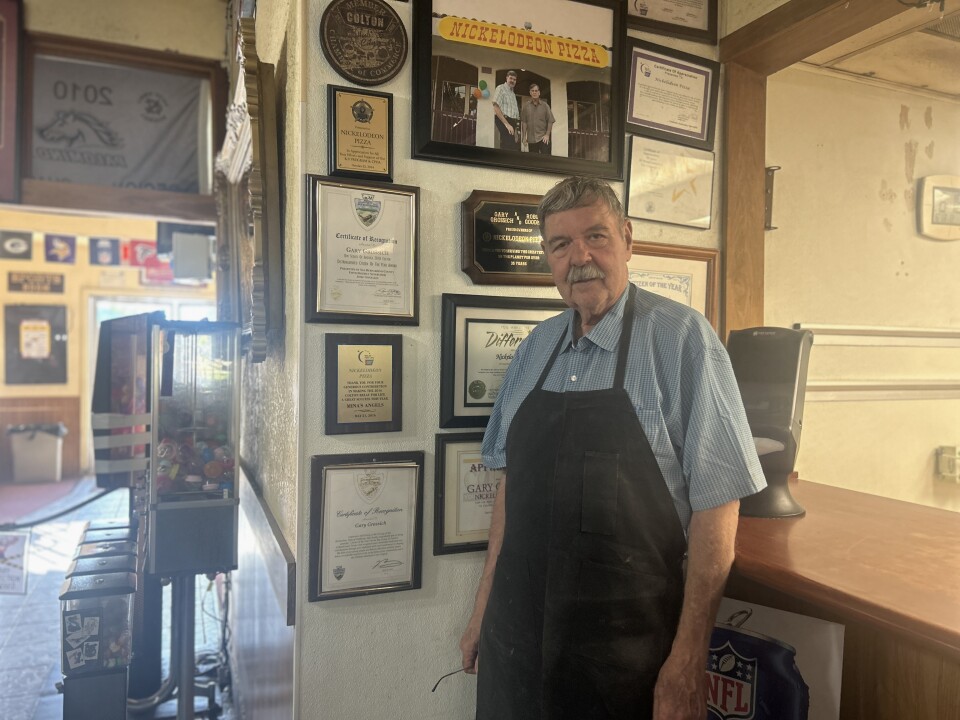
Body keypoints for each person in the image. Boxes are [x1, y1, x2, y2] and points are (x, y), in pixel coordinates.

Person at [458, 176, 766, 720]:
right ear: (548, 258)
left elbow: (719, 506)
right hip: (517, 640)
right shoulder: (534, 349)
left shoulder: (683, 341)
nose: (580, 257)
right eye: (560, 244)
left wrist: (691, 654)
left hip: (625, 657)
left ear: (627, 238)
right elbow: (512, 484)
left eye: (596, 236)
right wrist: (484, 604)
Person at [520, 83, 555, 154]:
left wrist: (547, 135)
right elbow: (524, 122)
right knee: (533, 161)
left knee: (546, 161)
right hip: (531, 140)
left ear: (539, 93)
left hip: (543, 139)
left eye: (536, 91)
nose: (534, 92)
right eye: (532, 91)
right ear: (530, 93)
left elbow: (550, 121)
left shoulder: (545, 106)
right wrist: (524, 137)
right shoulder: (526, 106)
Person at [492, 70, 520, 151]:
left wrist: (516, 130)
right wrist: (507, 124)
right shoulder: (501, 88)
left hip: (512, 122)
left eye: (514, 79)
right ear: (506, 78)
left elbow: (515, 114)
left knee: (513, 146)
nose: (512, 81)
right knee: (508, 145)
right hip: (504, 120)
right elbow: (496, 106)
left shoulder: (513, 94)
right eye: (511, 78)